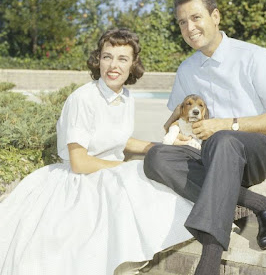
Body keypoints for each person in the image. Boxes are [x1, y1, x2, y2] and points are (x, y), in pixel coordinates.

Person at [0, 28, 194, 275]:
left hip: (108, 173)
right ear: (98, 60)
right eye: (107, 57)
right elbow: (79, 162)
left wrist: (161, 146)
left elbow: (120, 140)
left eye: (122, 59)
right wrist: (126, 167)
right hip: (79, 180)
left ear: (133, 64)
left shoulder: (125, 97)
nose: (114, 65)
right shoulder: (83, 99)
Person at [144, 0, 266, 275]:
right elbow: (176, 118)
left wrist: (228, 124)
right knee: (156, 157)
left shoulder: (254, 56)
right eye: (181, 22)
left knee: (222, 138)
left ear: (215, 17)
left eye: (196, 17)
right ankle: (262, 205)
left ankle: (210, 260)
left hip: (257, 152)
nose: (189, 28)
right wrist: (177, 133)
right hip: (210, 153)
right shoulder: (186, 69)